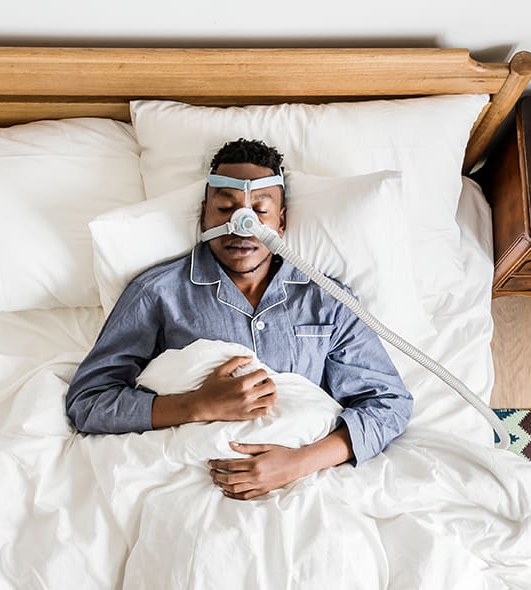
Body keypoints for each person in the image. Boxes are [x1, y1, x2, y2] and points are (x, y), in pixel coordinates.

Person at [66, 139, 412, 500]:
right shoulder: (158, 294)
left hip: (306, 488)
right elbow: (88, 402)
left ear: (282, 221)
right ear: (204, 215)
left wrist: (299, 463)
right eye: (225, 208)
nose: (241, 226)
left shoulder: (328, 300)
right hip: (189, 487)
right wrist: (196, 405)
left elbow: (389, 405)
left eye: (259, 211)